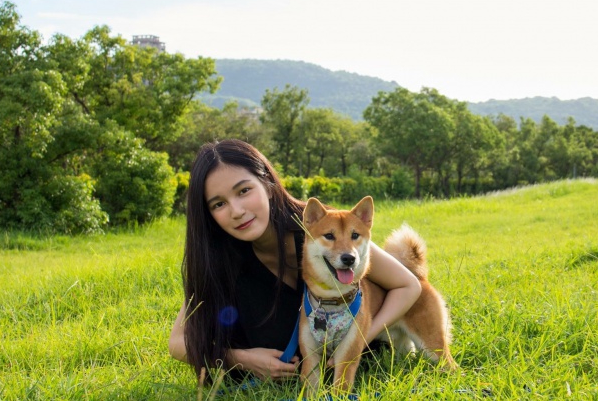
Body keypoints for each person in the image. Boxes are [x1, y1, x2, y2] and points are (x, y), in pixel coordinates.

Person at [168, 139, 422, 381]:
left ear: (268, 185)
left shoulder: (322, 229)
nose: (237, 211)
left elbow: (408, 285)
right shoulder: (218, 260)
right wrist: (242, 359)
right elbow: (177, 343)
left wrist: (361, 339)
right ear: (209, 214)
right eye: (218, 204)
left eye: (244, 191)